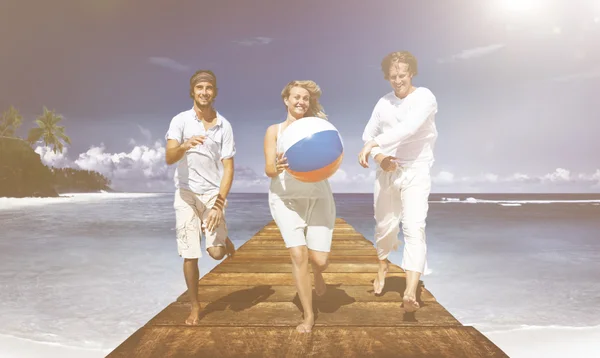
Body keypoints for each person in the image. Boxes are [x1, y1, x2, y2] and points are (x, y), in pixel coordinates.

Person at [358, 51, 438, 313]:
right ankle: (382, 266)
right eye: (392, 77)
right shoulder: (383, 103)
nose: (398, 80)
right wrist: (380, 157)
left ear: (411, 73)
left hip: (416, 170)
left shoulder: (425, 97)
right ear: (387, 77)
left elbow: (409, 128)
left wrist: (374, 144)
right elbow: (367, 134)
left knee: (415, 228)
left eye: (402, 75)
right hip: (387, 173)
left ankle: (410, 291)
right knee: (385, 227)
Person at [263, 80, 336, 333]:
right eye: (296, 97)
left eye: (305, 98)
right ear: (286, 99)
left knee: (320, 259)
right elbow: (269, 169)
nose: (301, 102)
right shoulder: (274, 130)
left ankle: (317, 274)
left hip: (317, 196)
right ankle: (308, 315)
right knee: (298, 255)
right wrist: (278, 166)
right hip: (285, 199)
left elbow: (331, 157)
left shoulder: (318, 128)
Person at [164, 69, 236, 325]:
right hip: (185, 194)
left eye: (209, 88)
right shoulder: (180, 121)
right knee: (190, 253)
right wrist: (184, 145)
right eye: (199, 88)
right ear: (192, 91)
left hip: (211, 195)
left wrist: (218, 204)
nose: (204, 92)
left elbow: (228, 168)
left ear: (214, 92)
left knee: (216, 253)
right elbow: (169, 157)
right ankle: (195, 306)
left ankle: (223, 240)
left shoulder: (223, 125)